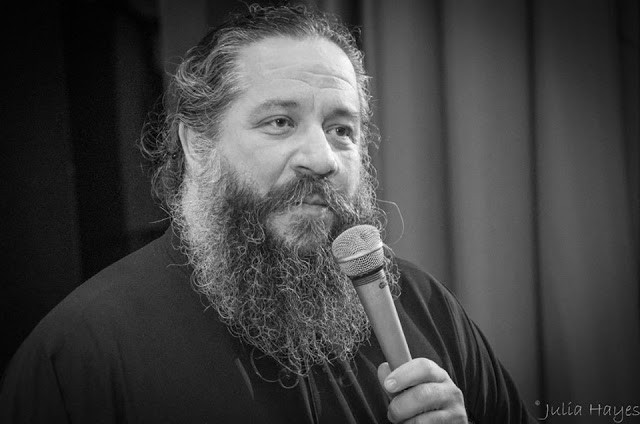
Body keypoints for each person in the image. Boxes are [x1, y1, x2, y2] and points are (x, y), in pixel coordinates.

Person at [0, 4, 536, 423]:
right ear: (197, 145)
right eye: (280, 122)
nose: (322, 159)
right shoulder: (82, 356)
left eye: (341, 129)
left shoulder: (427, 310)